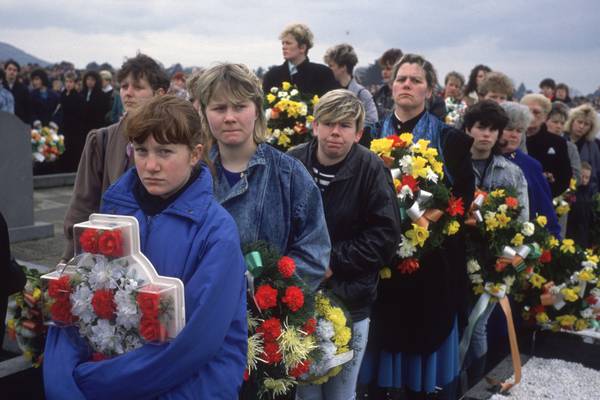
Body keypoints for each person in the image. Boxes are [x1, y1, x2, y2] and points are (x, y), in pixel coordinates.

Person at [44, 95, 248, 399]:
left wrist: (94, 381)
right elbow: (74, 308)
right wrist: (62, 381)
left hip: (191, 381)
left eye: (165, 152)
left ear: (195, 154)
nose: (150, 165)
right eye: (141, 151)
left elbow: (194, 344)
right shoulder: (111, 214)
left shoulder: (216, 232)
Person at [360, 54, 475, 400]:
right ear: (391, 87)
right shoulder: (370, 134)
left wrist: (420, 222)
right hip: (382, 262)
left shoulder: (449, 139)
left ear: (430, 90)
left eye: (416, 80)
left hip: (431, 262)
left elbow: (460, 199)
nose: (407, 85)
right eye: (401, 79)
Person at [289, 89, 401, 400]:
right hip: (300, 296)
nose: (335, 132)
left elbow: (385, 237)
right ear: (315, 126)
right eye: (328, 123)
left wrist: (332, 262)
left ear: (359, 132)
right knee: (305, 392)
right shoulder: (293, 162)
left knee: (341, 393)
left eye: (345, 125)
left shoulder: (371, 169)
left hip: (350, 298)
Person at [192, 62, 330, 292]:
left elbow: (314, 254)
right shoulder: (192, 175)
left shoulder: (291, 176)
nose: (229, 117)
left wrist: (266, 291)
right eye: (219, 108)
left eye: (239, 107)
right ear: (205, 113)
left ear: (256, 109)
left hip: (266, 320)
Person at [62, 53, 169, 261]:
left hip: (158, 252)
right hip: (108, 251)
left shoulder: (175, 142)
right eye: (124, 86)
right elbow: (82, 203)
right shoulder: (101, 140)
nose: (128, 93)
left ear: (159, 93)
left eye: (138, 87)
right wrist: (69, 259)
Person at [462, 101, 529, 387]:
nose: (486, 135)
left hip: (492, 261)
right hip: (454, 257)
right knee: (454, 326)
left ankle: (475, 386)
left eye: (492, 129)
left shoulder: (511, 172)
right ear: (468, 129)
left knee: (478, 327)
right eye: (480, 128)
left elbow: (523, 220)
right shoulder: (454, 164)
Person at [500, 101, 561, 237]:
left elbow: (546, 209)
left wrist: (554, 240)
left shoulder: (530, 165)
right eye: (509, 129)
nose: (515, 135)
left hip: (523, 240)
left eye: (520, 130)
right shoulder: (485, 158)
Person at [262, 23, 339, 97]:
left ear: (302, 48)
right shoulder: (272, 75)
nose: (283, 47)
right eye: (283, 43)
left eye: (288, 43)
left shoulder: (323, 74)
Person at [521, 94, 572, 197]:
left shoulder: (558, 143)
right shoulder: (512, 138)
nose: (531, 116)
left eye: (536, 112)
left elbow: (564, 178)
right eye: (527, 111)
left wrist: (544, 195)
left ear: (545, 117)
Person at [324, 44, 378, 126]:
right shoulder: (327, 89)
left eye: (331, 66)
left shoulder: (361, 94)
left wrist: (348, 127)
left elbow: (372, 121)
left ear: (343, 67)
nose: (328, 69)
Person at [564, 104, 600, 188]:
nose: (581, 126)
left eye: (586, 124)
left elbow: (596, 172)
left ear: (591, 128)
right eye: (579, 122)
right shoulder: (560, 138)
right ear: (572, 121)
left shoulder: (593, 146)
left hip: (584, 194)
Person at [547, 101, 581, 183]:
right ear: (545, 121)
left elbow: (576, 176)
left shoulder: (571, 147)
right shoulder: (535, 141)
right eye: (555, 122)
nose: (559, 126)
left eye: (562, 123)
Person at [58, 71, 85, 172]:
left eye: (71, 82)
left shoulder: (79, 97)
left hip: (75, 130)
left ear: (75, 83)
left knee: (73, 152)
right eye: (67, 81)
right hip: (64, 128)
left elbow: (81, 116)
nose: (68, 84)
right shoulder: (62, 95)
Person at [566, 162, 596, 247]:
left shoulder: (591, 193)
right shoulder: (571, 190)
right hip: (570, 232)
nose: (584, 180)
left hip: (585, 234)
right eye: (582, 176)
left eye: (587, 177)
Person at [372, 48, 403, 119]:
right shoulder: (378, 95)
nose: (384, 72)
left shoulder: (407, 95)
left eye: (388, 69)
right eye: (383, 68)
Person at [81, 70, 110, 135]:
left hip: (96, 127)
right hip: (82, 127)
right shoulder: (81, 93)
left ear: (97, 81)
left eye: (92, 80)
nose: (89, 82)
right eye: (88, 79)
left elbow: (103, 112)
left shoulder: (102, 95)